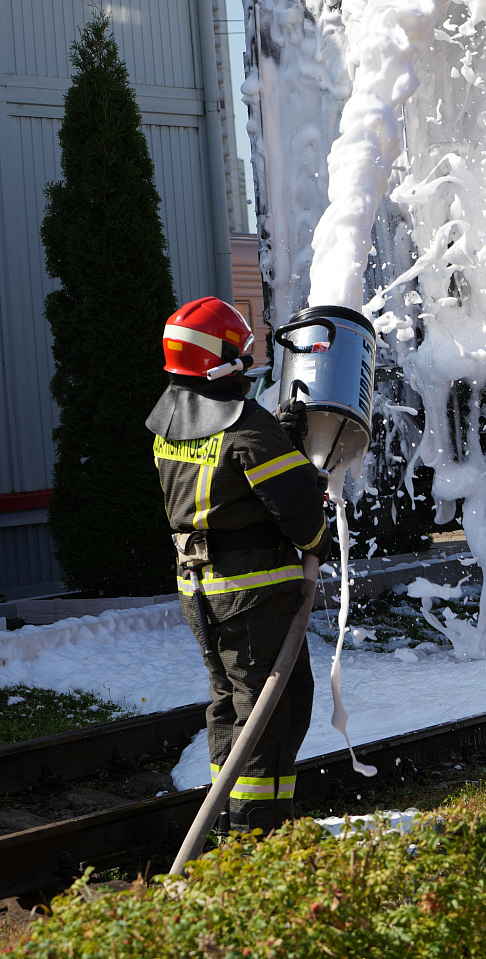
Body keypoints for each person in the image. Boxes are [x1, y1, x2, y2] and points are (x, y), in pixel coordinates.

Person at [146, 296, 331, 834]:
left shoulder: (171, 424)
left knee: (229, 703)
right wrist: (304, 480)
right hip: (256, 597)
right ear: (224, 361)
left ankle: (226, 823)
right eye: (241, 354)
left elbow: (227, 481)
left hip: (198, 590)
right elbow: (303, 521)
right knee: (273, 711)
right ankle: (259, 834)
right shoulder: (251, 429)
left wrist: (283, 442)